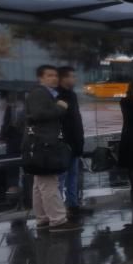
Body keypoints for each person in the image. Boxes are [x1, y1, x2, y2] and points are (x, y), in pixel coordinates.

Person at [24, 65, 75, 230]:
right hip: (44, 144)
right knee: (49, 183)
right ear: (41, 78)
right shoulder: (40, 93)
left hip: (39, 144)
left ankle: (43, 218)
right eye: (49, 75)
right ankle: (58, 220)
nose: (54, 78)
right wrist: (60, 107)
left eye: (55, 75)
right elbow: (39, 115)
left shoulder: (43, 93)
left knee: (39, 185)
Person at [56, 66, 84, 215]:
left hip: (75, 142)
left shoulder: (72, 95)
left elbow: (76, 119)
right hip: (63, 144)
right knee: (61, 178)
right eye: (72, 76)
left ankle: (72, 204)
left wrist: (80, 140)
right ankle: (59, 210)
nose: (75, 79)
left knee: (73, 175)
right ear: (64, 78)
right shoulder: (57, 96)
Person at [0, 91, 24, 194]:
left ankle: (13, 187)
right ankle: (19, 186)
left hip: (14, 138)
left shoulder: (12, 107)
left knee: (12, 162)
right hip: (22, 137)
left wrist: (2, 137)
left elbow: (6, 123)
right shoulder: (24, 104)